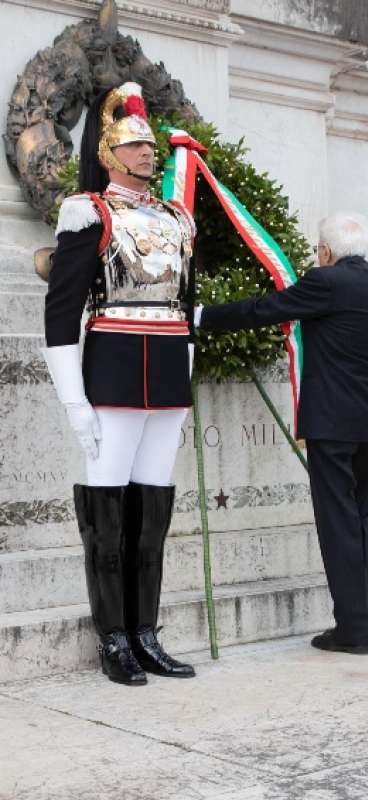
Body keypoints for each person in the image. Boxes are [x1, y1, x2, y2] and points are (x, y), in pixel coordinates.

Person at [42, 83, 197, 684]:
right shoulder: (89, 212)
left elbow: (185, 302)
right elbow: (62, 313)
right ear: (107, 152)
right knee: (107, 512)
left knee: (152, 510)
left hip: (165, 374)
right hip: (112, 370)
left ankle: (146, 631)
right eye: (133, 145)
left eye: (149, 145)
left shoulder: (177, 217)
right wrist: (73, 399)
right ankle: (113, 635)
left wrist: (184, 371)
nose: (146, 153)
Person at [197, 212, 368, 655]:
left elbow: (265, 309)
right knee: (358, 519)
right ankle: (356, 622)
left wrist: (204, 315)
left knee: (338, 522)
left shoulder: (326, 282)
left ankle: (353, 629)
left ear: (325, 252)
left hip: (333, 421)